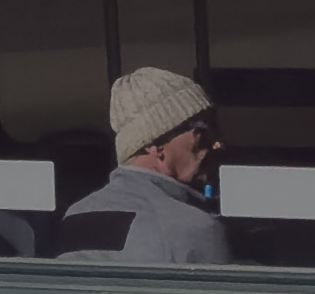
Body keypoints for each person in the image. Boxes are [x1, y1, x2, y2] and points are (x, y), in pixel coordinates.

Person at [53, 61, 233, 267]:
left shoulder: (77, 214)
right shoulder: (193, 228)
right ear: (154, 145)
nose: (217, 144)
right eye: (202, 133)